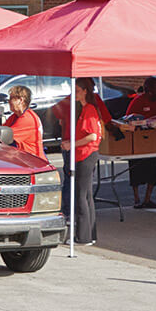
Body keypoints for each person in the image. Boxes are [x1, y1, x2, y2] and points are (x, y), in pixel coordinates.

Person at [61, 78, 102, 245]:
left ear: (85, 91)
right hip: (84, 154)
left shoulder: (89, 109)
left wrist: (71, 145)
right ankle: (89, 235)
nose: (75, 93)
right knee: (86, 195)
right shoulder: (86, 109)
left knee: (81, 196)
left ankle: (83, 236)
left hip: (86, 155)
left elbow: (92, 135)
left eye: (77, 90)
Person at [125, 77, 156, 209]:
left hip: (154, 141)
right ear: (148, 90)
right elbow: (127, 120)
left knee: (153, 169)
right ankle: (137, 199)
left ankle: (148, 199)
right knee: (136, 170)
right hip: (138, 142)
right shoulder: (137, 102)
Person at [3, 84, 45, 159]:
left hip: (33, 163)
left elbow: (3, 137)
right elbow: (2, 130)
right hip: (23, 160)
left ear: (21, 100)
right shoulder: (14, 116)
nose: (9, 102)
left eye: (11, 98)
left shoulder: (27, 118)